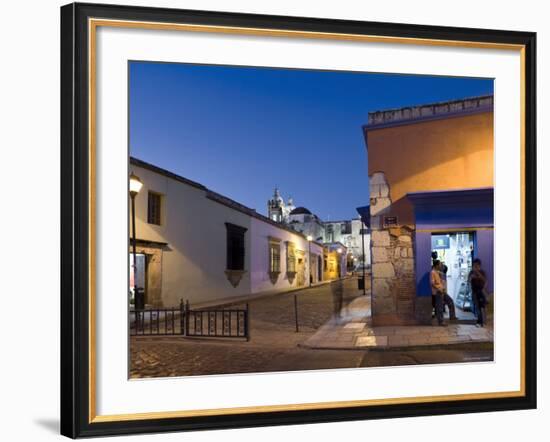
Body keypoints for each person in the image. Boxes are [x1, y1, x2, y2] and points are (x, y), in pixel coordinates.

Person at [469, 258, 488, 327]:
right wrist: (472, 277)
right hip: (474, 292)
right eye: (474, 265)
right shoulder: (471, 272)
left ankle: (483, 322)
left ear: (479, 265)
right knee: (477, 307)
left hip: (481, 291)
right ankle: (480, 321)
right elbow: (469, 280)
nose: (475, 267)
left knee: (483, 307)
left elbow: (485, 281)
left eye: (477, 265)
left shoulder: (482, 272)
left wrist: (478, 274)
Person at [430, 260, 445, 326]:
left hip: (440, 290)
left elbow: (440, 281)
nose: (440, 265)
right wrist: (439, 289)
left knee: (441, 306)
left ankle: (441, 321)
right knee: (439, 307)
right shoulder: (433, 272)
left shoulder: (437, 272)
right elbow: (432, 283)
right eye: (439, 264)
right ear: (436, 265)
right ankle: (440, 321)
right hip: (437, 292)